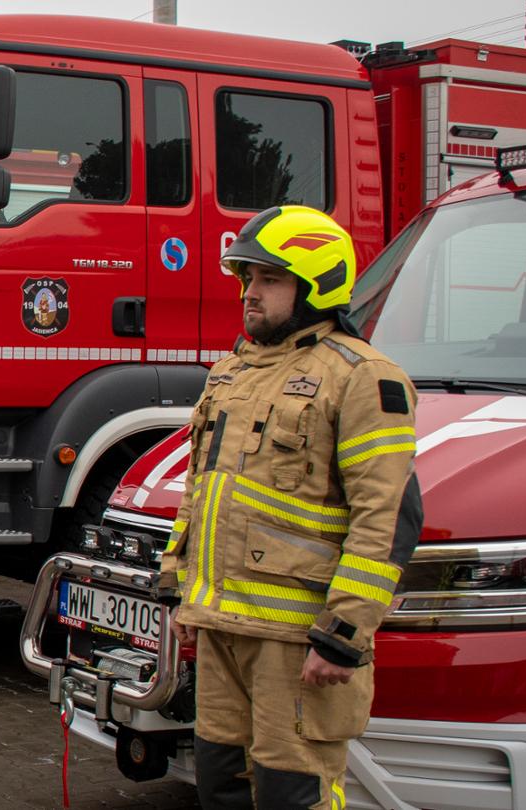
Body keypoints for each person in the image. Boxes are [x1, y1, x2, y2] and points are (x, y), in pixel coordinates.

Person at [158, 206, 421, 810]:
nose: (250, 292)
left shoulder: (363, 378)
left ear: (316, 285)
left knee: (292, 795)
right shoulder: (231, 372)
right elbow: (201, 492)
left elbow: (385, 520)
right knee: (220, 789)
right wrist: (178, 588)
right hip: (222, 630)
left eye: (269, 279)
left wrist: (343, 634)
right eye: (247, 277)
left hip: (298, 642)